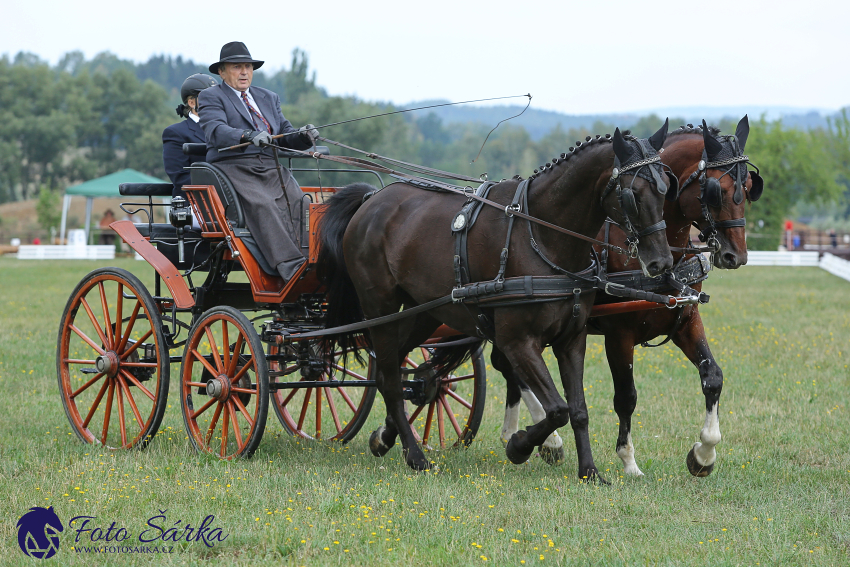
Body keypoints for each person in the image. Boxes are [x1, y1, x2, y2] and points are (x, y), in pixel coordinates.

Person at [198, 41, 318, 283]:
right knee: (263, 205)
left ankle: (310, 260)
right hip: (233, 167)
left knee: (301, 203)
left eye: (248, 67)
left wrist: (303, 137)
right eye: (237, 67)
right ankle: (288, 265)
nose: (244, 72)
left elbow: (283, 133)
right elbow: (216, 130)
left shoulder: (268, 97)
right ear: (221, 72)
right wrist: (247, 136)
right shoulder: (211, 96)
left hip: (270, 166)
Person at [162, 74, 218, 199]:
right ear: (192, 102)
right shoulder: (175, 133)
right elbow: (181, 177)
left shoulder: (227, 128)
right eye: (208, 97)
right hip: (196, 203)